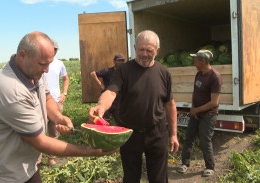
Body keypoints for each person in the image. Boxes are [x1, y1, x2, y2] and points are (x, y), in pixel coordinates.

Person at [0, 31, 118, 183]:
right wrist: (87, 151)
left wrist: (58, 117)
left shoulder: (33, 72)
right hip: (10, 172)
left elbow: (46, 97)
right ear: (22, 55)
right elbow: (40, 141)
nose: (47, 70)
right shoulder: (10, 90)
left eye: (49, 63)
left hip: (27, 164)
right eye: (43, 64)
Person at [88, 30, 179, 183]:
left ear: (157, 51)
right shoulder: (123, 70)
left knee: (159, 179)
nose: (144, 54)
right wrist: (101, 107)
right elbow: (110, 92)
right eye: (141, 49)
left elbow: (170, 104)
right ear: (135, 48)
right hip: (129, 133)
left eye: (149, 50)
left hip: (157, 132)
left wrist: (174, 134)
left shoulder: (164, 73)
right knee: (131, 177)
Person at [176, 49, 223, 177]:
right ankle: (185, 164)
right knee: (189, 138)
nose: (194, 62)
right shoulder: (199, 74)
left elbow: (214, 102)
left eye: (196, 60)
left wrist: (196, 110)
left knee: (204, 140)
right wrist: (193, 108)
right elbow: (195, 93)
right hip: (196, 112)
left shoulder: (215, 77)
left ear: (203, 61)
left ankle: (210, 166)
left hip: (208, 115)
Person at [43, 39, 69, 166]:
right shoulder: (40, 63)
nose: (52, 51)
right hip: (41, 102)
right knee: (39, 130)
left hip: (56, 101)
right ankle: (36, 161)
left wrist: (64, 93)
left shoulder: (59, 64)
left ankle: (51, 158)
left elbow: (65, 78)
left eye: (54, 49)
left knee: (54, 131)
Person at [90, 53, 125, 124]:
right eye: (119, 60)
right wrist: (100, 84)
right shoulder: (107, 71)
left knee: (120, 122)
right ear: (114, 61)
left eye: (122, 61)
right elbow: (93, 73)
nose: (121, 62)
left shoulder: (124, 72)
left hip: (118, 100)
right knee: (104, 121)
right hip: (106, 100)